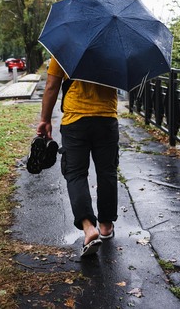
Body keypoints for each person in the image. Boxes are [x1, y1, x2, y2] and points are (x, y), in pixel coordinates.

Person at [36, 57, 119, 257]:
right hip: (107, 118)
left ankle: (89, 228)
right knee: (107, 172)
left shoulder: (65, 47)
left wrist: (45, 119)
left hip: (75, 121)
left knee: (75, 173)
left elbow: (51, 86)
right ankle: (106, 226)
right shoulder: (114, 48)